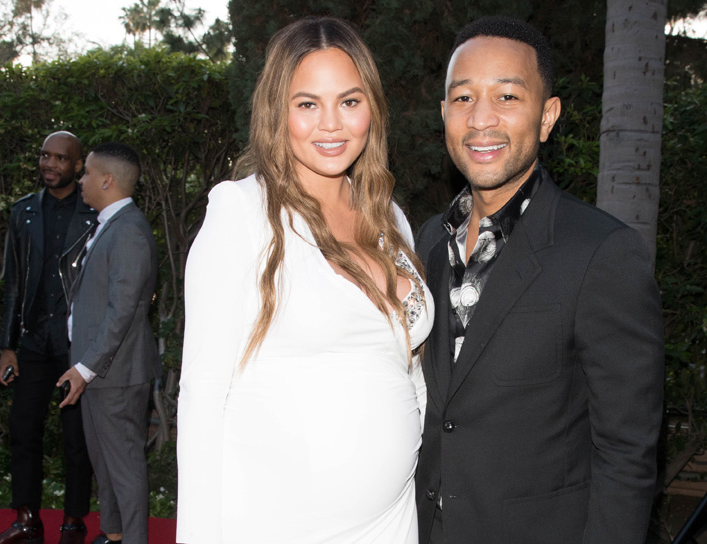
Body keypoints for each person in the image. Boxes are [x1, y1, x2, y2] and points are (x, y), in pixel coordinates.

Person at [176, 16, 434, 544]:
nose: (332, 125)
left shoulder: (390, 217)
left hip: (392, 521)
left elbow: (407, 368)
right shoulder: (242, 213)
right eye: (308, 104)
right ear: (279, 111)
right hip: (278, 525)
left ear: (372, 110)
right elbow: (201, 395)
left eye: (349, 101)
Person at [414, 16, 665, 544]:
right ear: (443, 114)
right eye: (462, 98)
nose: (481, 119)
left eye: (507, 97)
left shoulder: (602, 253)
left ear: (547, 116)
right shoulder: (425, 243)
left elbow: (626, 453)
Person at [57, 142, 162, 544]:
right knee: (104, 462)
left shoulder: (130, 232)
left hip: (114, 372)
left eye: (85, 173)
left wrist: (85, 368)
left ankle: (132, 539)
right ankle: (113, 534)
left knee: (124, 466)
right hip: (99, 369)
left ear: (107, 180)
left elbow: (123, 312)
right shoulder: (110, 225)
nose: (80, 180)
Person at [0, 131, 95, 544]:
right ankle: (27, 518)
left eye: (60, 158)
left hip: (76, 346)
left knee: (77, 439)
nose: (49, 164)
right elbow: (14, 284)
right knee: (23, 431)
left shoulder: (95, 213)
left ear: (76, 166)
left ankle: (73, 522)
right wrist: (7, 346)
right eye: (44, 156)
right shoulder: (23, 213)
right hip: (34, 342)